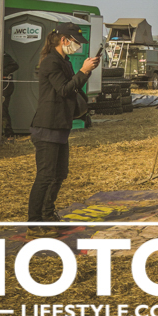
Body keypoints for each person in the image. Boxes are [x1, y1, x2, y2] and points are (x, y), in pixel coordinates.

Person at [26, 22, 100, 231]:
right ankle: (34, 222)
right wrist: (83, 71)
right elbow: (64, 89)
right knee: (45, 176)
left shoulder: (64, 61)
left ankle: (48, 215)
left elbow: (73, 88)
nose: (78, 46)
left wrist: (86, 72)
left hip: (60, 125)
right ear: (64, 40)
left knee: (59, 174)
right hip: (47, 127)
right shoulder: (51, 62)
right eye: (76, 42)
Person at [2, 51, 20, 137]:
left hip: (5, 86)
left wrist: (1, 73)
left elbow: (15, 65)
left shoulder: (3, 55)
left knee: (2, 109)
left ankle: (8, 133)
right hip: (1, 85)